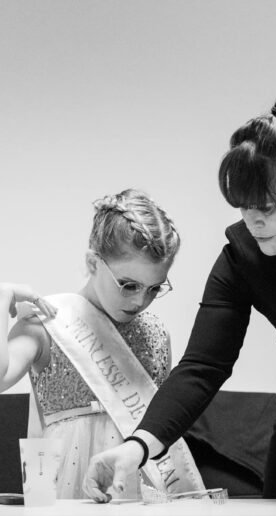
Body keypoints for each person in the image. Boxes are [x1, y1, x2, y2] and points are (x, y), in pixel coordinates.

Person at [83, 96, 276, 500]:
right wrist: (136, 448)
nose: (253, 222)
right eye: (243, 207)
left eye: (267, 207)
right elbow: (203, 366)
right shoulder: (244, 255)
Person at [0, 188, 204, 499]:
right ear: (93, 263)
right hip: (68, 487)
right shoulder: (46, 323)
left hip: (138, 485)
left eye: (154, 288)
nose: (141, 300)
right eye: (128, 285)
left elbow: (164, 422)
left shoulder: (157, 333)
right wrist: (1, 298)